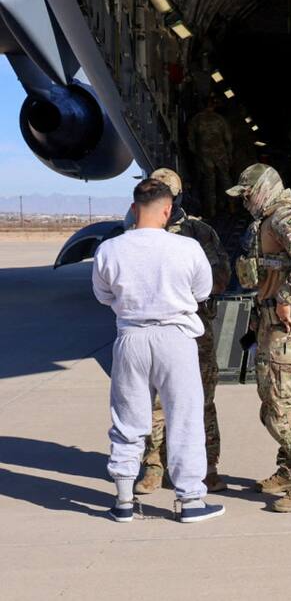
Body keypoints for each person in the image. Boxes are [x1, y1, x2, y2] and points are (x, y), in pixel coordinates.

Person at [92, 179, 224, 523]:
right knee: (185, 416)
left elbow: (103, 296)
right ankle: (190, 500)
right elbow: (202, 291)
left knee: (128, 418)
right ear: (167, 210)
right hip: (175, 338)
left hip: (131, 338)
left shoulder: (110, 249)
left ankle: (122, 499)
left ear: (134, 208)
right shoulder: (187, 248)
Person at [226, 164, 291, 513]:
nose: (245, 202)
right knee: (271, 402)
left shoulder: (286, 216)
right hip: (270, 321)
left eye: (247, 195)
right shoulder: (270, 219)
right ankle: (289, 469)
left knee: (283, 408)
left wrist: (287, 297)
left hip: (289, 326)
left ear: (264, 188)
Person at [122, 169, 231, 495]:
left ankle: (207, 467)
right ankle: (154, 466)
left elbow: (220, 279)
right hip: (151, 331)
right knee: (153, 404)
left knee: (201, 401)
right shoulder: (133, 233)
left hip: (193, 330)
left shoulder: (198, 232)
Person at [186, 97, 234, 219]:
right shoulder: (220, 119)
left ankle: (211, 211)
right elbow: (228, 138)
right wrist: (229, 154)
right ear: (214, 106)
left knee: (209, 183)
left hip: (205, 156)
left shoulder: (196, 120)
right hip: (220, 154)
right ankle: (232, 205)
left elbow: (190, 140)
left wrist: (197, 154)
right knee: (226, 180)